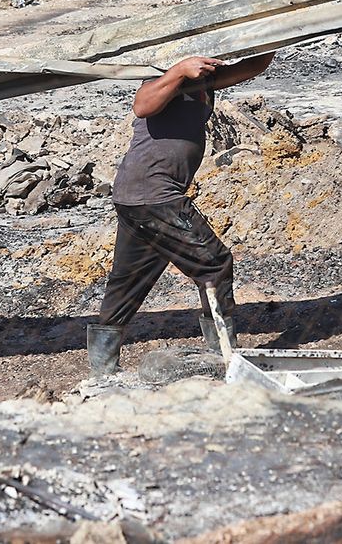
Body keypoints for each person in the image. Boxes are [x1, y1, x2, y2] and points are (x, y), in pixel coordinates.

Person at [87, 51, 274, 377]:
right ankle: (224, 360)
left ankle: (101, 373)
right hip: (155, 195)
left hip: (136, 196)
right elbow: (142, 105)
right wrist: (178, 71)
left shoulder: (204, 81)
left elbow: (254, 65)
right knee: (214, 263)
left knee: (127, 283)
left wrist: (280, 33)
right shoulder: (162, 76)